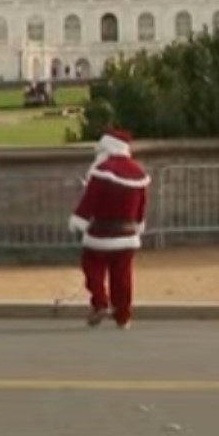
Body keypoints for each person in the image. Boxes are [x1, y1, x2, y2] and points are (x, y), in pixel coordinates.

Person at [70, 128, 151, 329]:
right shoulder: (138, 172)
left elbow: (90, 200)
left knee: (92, 266)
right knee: (122, 276)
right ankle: (123, 315)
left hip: (100, 232)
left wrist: (78, 220)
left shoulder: (101, 170)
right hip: (127, 233)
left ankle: (100, 301)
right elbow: (142, 205)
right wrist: (139, 225)